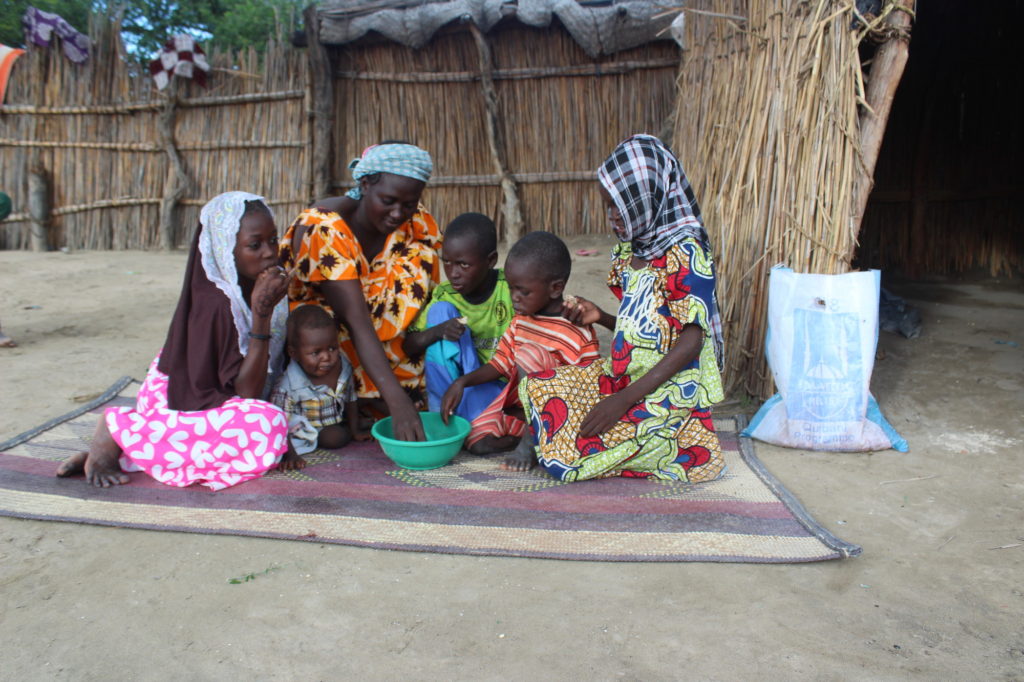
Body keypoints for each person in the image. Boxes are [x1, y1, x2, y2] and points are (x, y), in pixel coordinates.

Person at [520, 134, 727, 483]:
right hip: (625, 379)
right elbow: (649, 331)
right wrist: (600, 317)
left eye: (621, 205)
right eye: (609, 206)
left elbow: (691, 341)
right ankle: (640, 441)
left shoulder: (686, 253)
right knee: (543, 387)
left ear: (647, 198)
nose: (613, 216)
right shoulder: (632, 249)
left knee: (579, 451)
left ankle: (678, 444)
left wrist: (623, 401)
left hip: (669, 391)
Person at [56, 192, 297, 489]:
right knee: (265, 426)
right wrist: (262, 316)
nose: (269, 252)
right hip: (179, 402)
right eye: (254, 245)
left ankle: (133, 449)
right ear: (225, 249)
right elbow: (245, 394)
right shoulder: (217, 304)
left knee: (291, 419)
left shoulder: (260, 283)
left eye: (273, 240)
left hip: (219, 401)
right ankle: (119, 428)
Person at [280, 142, 439, 442]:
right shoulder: (323, 226)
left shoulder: (411, 216)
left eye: (409, 203)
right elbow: (355, 319)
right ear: (365, 184)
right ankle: (364, 398)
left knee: (422, 256)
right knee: (328, 323)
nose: (398, 213)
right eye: (389, 201)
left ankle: (379, 397)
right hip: (330, 338)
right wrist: (398, 401)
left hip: (380, 334)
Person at [441, 231, 600, 470]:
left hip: (562, 415)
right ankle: (534, 438)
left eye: (523, 291)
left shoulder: (576, 330)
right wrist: (461, 382)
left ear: (556, 288)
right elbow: (500, 364)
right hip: (526, 416)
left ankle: (530, 444)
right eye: (511, 288)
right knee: (476, 440)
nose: (514, 298)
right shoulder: (520, 321)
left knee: (530, 354)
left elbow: (589, 389)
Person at [403, 212, 513, 421]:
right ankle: (442, 411)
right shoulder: (446, 294)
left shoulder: (509, 288)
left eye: (463, 265)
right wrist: (439, 331)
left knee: (483, 430)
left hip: (504, 385)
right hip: (459, 388)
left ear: (490, 261)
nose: (453, 273)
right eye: (447, 262)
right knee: (439, 312)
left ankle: (480, 418)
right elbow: (409, 345)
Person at [271, 305, 368, 458]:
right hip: (306, 431)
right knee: (335, 437)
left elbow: (350, 398)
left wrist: (356, 431)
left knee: (347, 425)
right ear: (293, 353)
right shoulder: (288, 385)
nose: (326, 357)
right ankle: (348, 428)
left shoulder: (343, 366)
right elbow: (278, 421)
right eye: (316, 352)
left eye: (332, 348)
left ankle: (353, 426)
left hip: (335, 418)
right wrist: (290, 454)